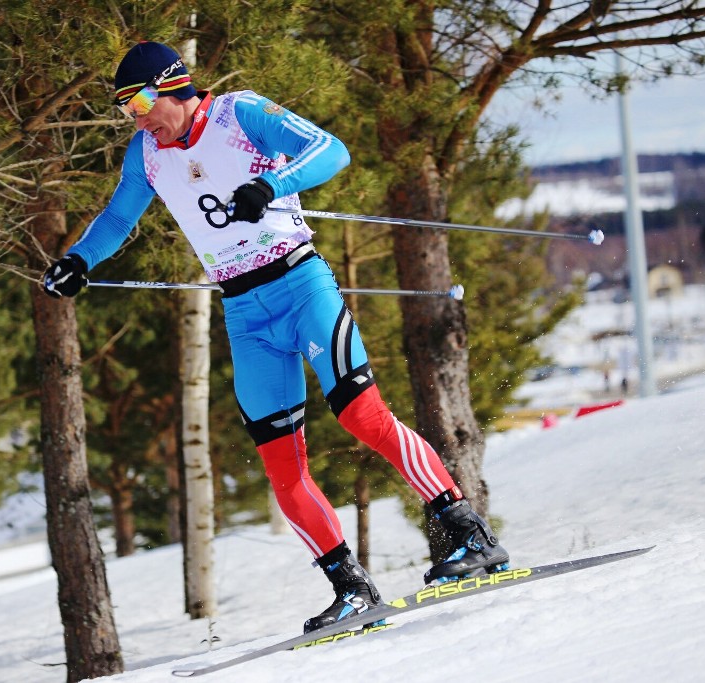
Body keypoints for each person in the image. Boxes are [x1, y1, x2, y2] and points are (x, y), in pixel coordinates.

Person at [43, 41, 509, 633]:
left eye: (137, 101)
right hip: (243, 312)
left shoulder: (242, 114)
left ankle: (472, 533)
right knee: (282, 468)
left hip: (299, 284)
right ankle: (351, 588)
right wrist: (79, 259)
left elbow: (330, 151)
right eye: (124, 107)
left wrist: (271, 184)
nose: (135, 116)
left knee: (362, 417)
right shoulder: (147, 155)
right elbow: (116, 219)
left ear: (172, 84)